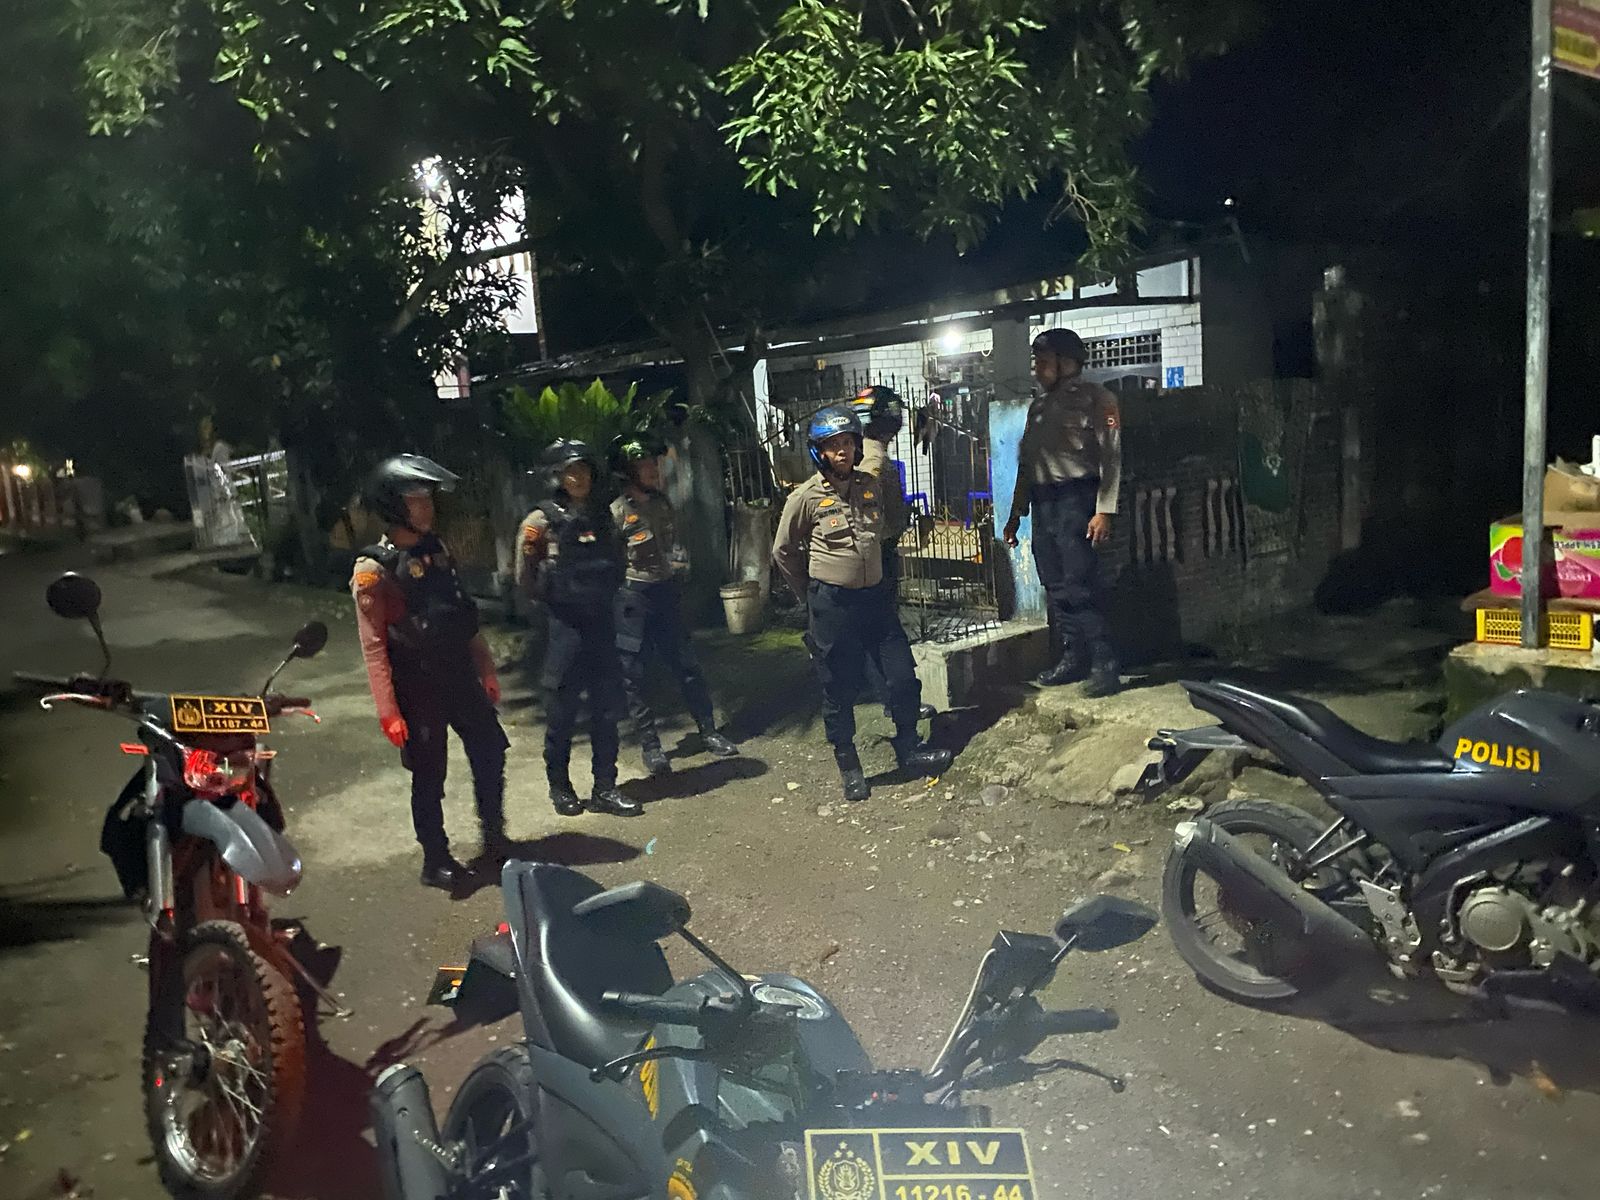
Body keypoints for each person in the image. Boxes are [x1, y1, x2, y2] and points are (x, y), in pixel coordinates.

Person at [772, 405, 952, 803]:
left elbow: (883, 530)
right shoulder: (805, 497)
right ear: (819, 452)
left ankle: (910, 748)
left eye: (848, 443)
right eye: (833, 445)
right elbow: (783, 551)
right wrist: (810, 595)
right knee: (839, 687)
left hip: (875, 601)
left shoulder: (869, 485)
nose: (843, 451)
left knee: (901, 676)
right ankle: (849, 765)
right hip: (833, 606)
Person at [351, 455, 508, 889]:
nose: (427, 508)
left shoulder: (437, 550)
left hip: (457, 671)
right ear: (393, 506)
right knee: (429, 771)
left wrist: (486, 669)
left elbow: (462, 615)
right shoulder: (373, 570)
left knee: (490, 748)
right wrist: (388, 712)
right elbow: (373, 647)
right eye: (416, 501)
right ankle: (435, 859)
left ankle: (495, 838)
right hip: (416, 683)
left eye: (427, 499)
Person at [515, 439, 640, 818]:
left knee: (607, 710)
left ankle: (605, 787)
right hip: (563, 629)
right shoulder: (539, 523)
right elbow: (524, 577)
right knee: (562, 714)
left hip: (601, 624)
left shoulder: (606, 516)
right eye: (570, 471)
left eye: (583, 470)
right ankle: (560, 787)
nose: (578, 478)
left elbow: (619, 561)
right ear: (556, 476)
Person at [1001, 327, 1123, 697]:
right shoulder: (1038, 408)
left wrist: (1104, 510)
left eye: (1043, 361)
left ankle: (1104, 663)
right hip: (1044, 503)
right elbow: (1028, 464)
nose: (1036, 369)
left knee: (1079, 583)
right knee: (1053, 584)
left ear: (1067, 362)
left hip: (1076, 500)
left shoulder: (1098, 399)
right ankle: (1073, 657)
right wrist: (1016, 513)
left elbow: (1112, 457)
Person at [611, 434, 741, 777]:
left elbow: (673, 544)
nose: (653, 470)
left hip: (666, 594)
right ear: (628, 472)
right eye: (644, 466)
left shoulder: (662, 503)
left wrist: (679, 566)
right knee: (635, 675)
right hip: (634, 598)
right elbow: (612, 562)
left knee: (687, 665)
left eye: (653, 464)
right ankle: (651, 746)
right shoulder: (617, 513)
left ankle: (708, 731)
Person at [850, 384, 934, 723]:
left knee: (874, 632)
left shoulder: (861, 452)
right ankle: (900, 705)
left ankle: (891, 701)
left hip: (869, 554)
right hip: (877, 554)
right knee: (885, 633)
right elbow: (869, 510)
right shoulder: (874, 459)